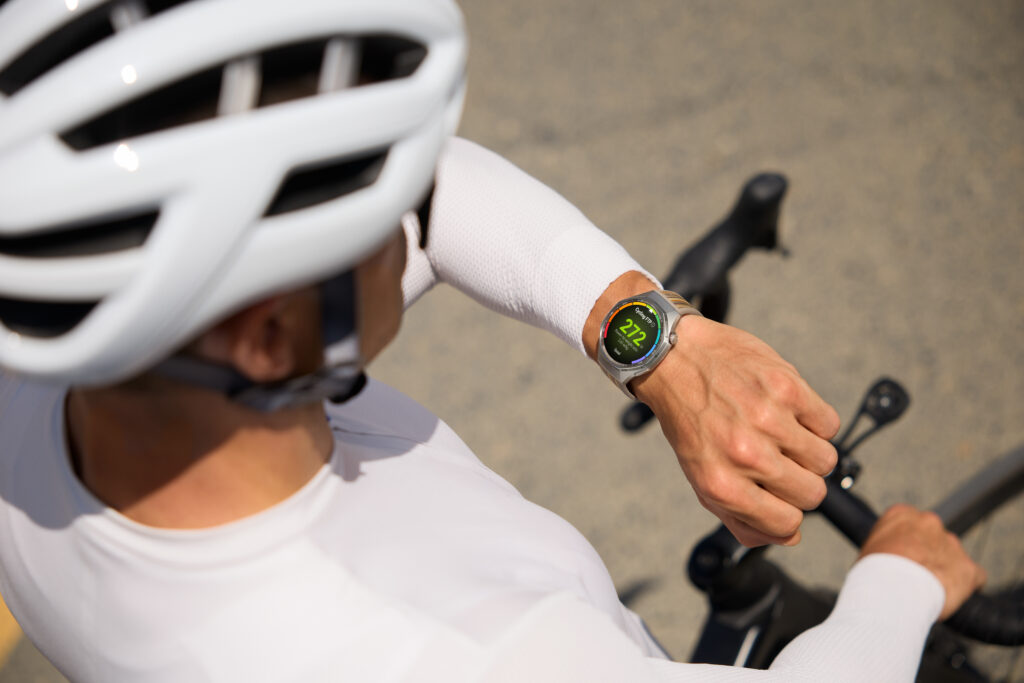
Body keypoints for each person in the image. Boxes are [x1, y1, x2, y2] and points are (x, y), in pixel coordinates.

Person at [0, 0, 984, 681]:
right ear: (266, 337)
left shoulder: (50, 369)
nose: (421, 209)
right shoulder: (483, 650)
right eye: (384, 203)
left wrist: (661, 348)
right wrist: (896, 580)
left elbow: (452, 194)